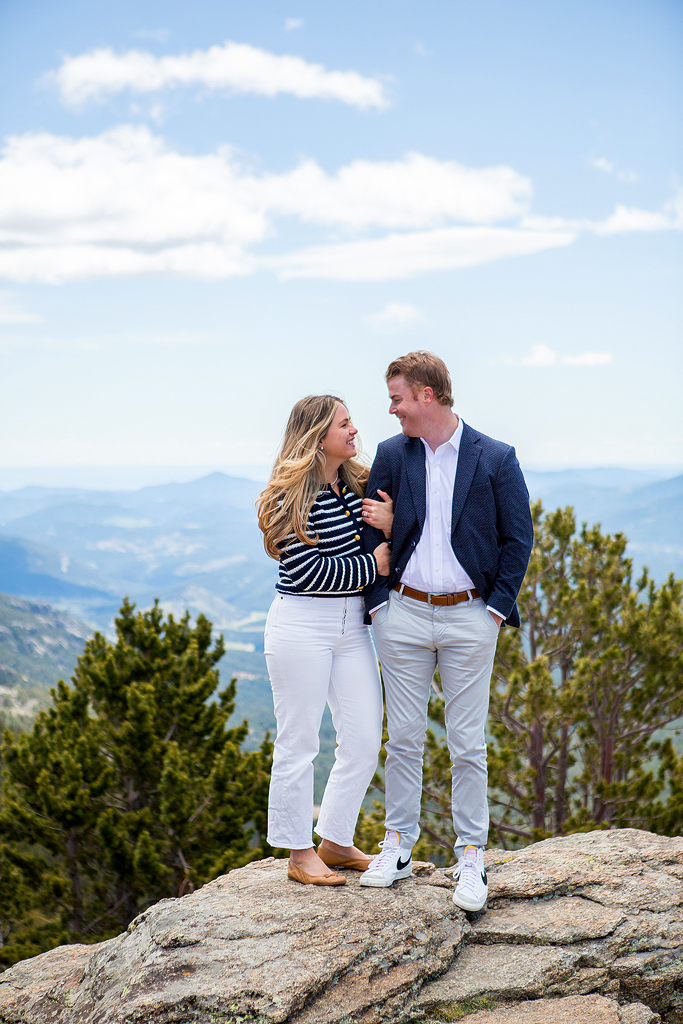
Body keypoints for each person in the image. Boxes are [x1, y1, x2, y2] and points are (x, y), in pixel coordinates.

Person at [358, 352, 533, 911]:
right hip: (403, 614)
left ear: (427, 395)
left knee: (467, 743)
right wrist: (378, 605)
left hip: (470, 617)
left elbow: (519, 539)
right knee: (403, 738)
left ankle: (472, 857)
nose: (392, 409)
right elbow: (372, 530)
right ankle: (397, 847)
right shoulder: (392, 454)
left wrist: (495, 611)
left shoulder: (495, 457)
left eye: (397, 398)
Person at [257, 395, 392, 886]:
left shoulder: (357, 485)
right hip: (302, 625)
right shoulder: (289, 496)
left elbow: (390, 533)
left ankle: (334, 839)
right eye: (344, 424)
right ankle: (298, 853)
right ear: (317, 436)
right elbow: (306, 571)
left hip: (352, 627)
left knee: (363, 738)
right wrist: (373, 565)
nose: (354, 430)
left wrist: (391, 526)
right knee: (299, 742)